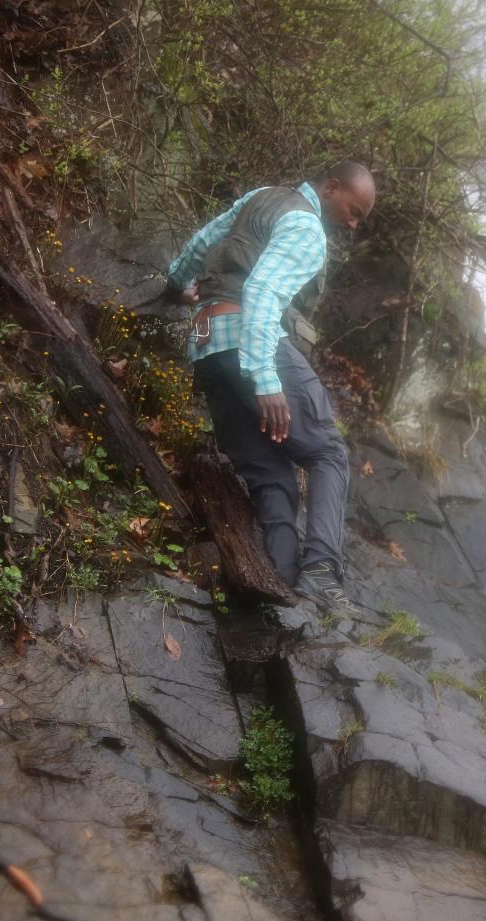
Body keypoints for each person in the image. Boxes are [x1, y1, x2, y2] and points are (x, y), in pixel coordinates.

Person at [164, 161, 376, 617]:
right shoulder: (306, 228)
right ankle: (321, 569)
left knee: (271, 476)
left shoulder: (262, 195)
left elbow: (201, 243)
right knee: (327, 452)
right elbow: (260, 291)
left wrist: (175, 284)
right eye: (354, 210)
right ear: (331, 187)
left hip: (206, 348)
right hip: (247, 341)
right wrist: (265, 380)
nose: (354, 223)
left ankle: (281, 591)